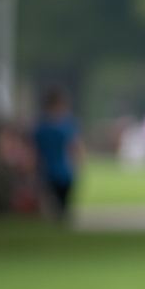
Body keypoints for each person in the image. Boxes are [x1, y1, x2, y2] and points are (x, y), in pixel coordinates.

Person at [32, 86, 83, 218]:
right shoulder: (64, 124)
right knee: (58, 206)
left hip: (58, 171)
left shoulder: (42, 125)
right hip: (55, 171)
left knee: (59, 207)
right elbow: (74, 146)